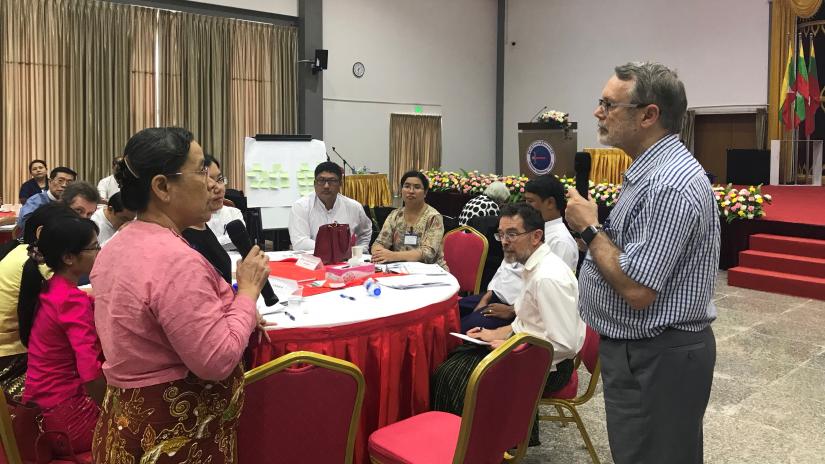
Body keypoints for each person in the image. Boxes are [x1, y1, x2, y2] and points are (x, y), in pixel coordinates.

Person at [565, 62, 718, 464]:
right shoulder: (649, 172)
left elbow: (636, 288)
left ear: (649, 114)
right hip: (644, 352)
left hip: (658, 356)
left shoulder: (670, 184)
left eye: (609, 104)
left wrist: (590, 230)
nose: (598, 112)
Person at [90, 127, 271, 463]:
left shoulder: (117, 246)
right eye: (202, 170)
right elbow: (215, 361)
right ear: (162, 187)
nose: (213, 184)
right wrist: (247, 293)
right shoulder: (175, 261)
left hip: (126, 420)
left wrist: (234, 312)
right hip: (176, 433)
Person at [431, 203, 584, 445]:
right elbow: (526, 323)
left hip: (552, 367)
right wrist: (492, 333)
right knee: (454, 358)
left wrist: (510, 348)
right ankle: (463, 446)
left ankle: (482, 449)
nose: (504, 241)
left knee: (453, 376)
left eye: (512, 234)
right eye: (500, 234)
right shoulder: (532, 267)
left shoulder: (547, 277)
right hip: (531, 351)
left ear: (536, 236)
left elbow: (563, 345)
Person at [19, 214, 104, 455]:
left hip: (39, 409)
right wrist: (110, 408)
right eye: (95, 247)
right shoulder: (71, 300)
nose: (100, 251)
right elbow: (89, 370)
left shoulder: (51, 287)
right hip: (67, 418)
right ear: (68, 257)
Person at [0, 204, 75, 400]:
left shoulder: (17, 249)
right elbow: (69, 300)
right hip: (11, 357)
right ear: (42, 232)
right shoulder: (38, 262)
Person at [288, 161, 372, 252]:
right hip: (312, 261)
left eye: (332, 181)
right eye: (321, 180)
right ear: (314, 183)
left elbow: (365, 232)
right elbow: (300, 243)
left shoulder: (354, 207)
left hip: (345, 262)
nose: (326, 186)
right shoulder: (301, 206)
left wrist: (360, 251)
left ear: (340, 184)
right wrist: (335, 249)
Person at [372, 171, 448, 269]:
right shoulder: (395, 215)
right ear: (401, 190)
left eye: (417, 187)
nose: (411, 191)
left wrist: (392, 256)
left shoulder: (433, 217)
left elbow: (428, 254)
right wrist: (379, 253)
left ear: (425, 192)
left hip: (431, 271)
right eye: (407, 186)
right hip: (400, 269)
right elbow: (379, 243)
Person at [182, 155, 233, 284]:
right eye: (207, 180)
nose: (218, 187)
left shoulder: (202, 226)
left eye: (220, 179)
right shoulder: (183, 238)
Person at [523, 174, 578, 272]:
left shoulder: (560, 241)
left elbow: (556, 283)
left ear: (550, 203)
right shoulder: (533, 231)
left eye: (530, 201)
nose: (526, 207)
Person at [16, 166, 77, 231]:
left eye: (69, 182)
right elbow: (24, 224)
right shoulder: (35, 201)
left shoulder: (73, 202)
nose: (64, 185)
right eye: (60, 181)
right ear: (50, 182)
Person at [204, 157, 245, 251]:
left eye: (220, 179)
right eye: (209, 182)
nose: (219, 188)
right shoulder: (191, 219)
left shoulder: (234, 212)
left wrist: (212, 242)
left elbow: (239, 241)